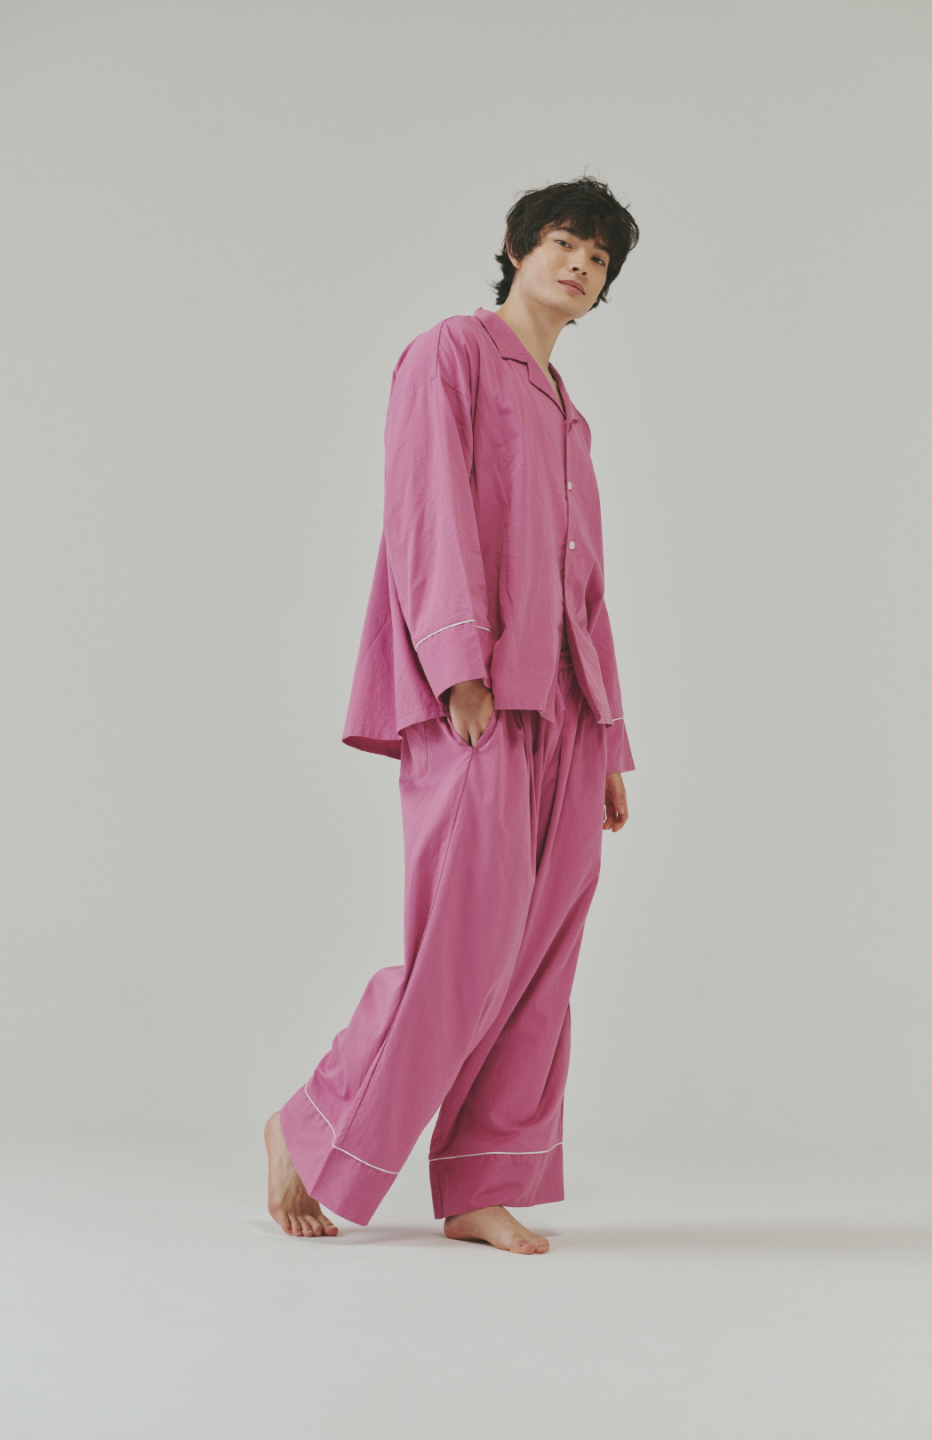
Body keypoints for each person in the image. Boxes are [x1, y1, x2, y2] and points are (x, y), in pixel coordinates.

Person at [265, 176, 639, 1254]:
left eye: (599, 259)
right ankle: (311, 1120)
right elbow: (425, 506)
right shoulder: (451, 354)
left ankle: (480, 1183)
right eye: (564, 243)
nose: (580, 265)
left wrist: (610, 742)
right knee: (463, 953)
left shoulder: (569, 414)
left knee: (540, 960)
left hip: (568, 714)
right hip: (477, 695)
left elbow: (586, 589)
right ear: (518, 249)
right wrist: (457, 668)